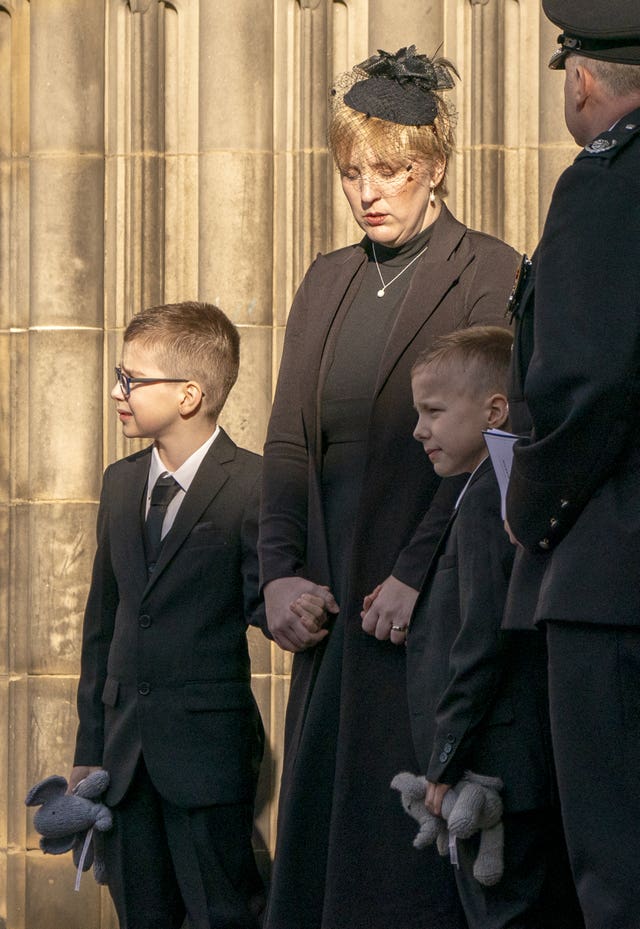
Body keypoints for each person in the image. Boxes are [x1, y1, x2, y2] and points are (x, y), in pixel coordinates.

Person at [259, 44, 520, 929]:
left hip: (426, 611)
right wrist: (279, 577)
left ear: (435, 167)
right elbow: (288, 441)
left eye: (392, 170)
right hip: (333, 616)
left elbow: (494, 442)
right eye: (352, 172)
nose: (369, 190)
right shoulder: (327, 278)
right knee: (322, 870)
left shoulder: (490, 268)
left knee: (406, 874)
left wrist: (417, 570)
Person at [504, 3, 640, 926]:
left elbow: (584, 376)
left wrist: (531, 508)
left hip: (612, 582)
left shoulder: (605, 184)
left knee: (616, 867)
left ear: (581, 80)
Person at [69, 302, 267, 929]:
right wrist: (88, 748)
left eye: (132, 379)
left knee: (223, 913)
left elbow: (266, 598)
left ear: (189, 394)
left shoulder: (255, 485)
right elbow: (103, 626)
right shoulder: (121, 482)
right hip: (124, 758)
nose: (116, 392)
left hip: (208, 756)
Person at [407, 327, 582, 929]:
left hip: (496, 768)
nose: (418, 429)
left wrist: (445, 757)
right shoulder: (479, 491)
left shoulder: (491, 497)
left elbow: (483, 635)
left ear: (495, 410)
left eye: (433, 411)